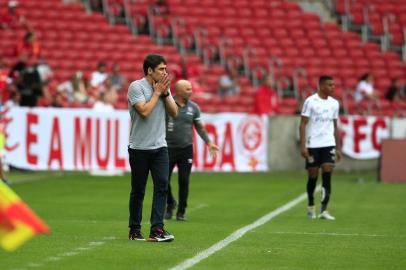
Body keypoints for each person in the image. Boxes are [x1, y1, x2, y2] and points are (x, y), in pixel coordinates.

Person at [127, 54, 178, 242]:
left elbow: (174, 113)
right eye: (161, 69)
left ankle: (157, 229)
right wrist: (157, 93)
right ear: (150, 70)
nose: (165, 73)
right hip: (139, 148)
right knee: (138, 190)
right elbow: (145, 112)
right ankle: (134, 230)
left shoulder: (164, 88)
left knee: (162, 187)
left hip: (160, 147)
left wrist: (165, 93)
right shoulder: (136, 87)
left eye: (165, 69)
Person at [164, 80, 219, 221]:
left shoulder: (194, 107)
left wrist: (209, 142)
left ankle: (181, 212)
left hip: (186, 149)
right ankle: (170, 204)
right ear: (179, 91)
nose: (191, 91)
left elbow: (199, 127)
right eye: (188, 89)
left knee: (184, 180)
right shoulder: (167, 105)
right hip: (168, 148)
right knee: (163, 180)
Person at [299, 75, 342, 221]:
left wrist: (337, 147)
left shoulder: (335, 104)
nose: (333, 87)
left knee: (327, 173)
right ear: (322, 86)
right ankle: (311, 206)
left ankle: (324, 210)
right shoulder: (310, 102)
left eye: (334, 85)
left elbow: (335, 126)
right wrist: (303, 145)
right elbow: (303, 124)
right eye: (330, 85)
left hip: (328, 143)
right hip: (313, 145)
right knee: (313, 176)